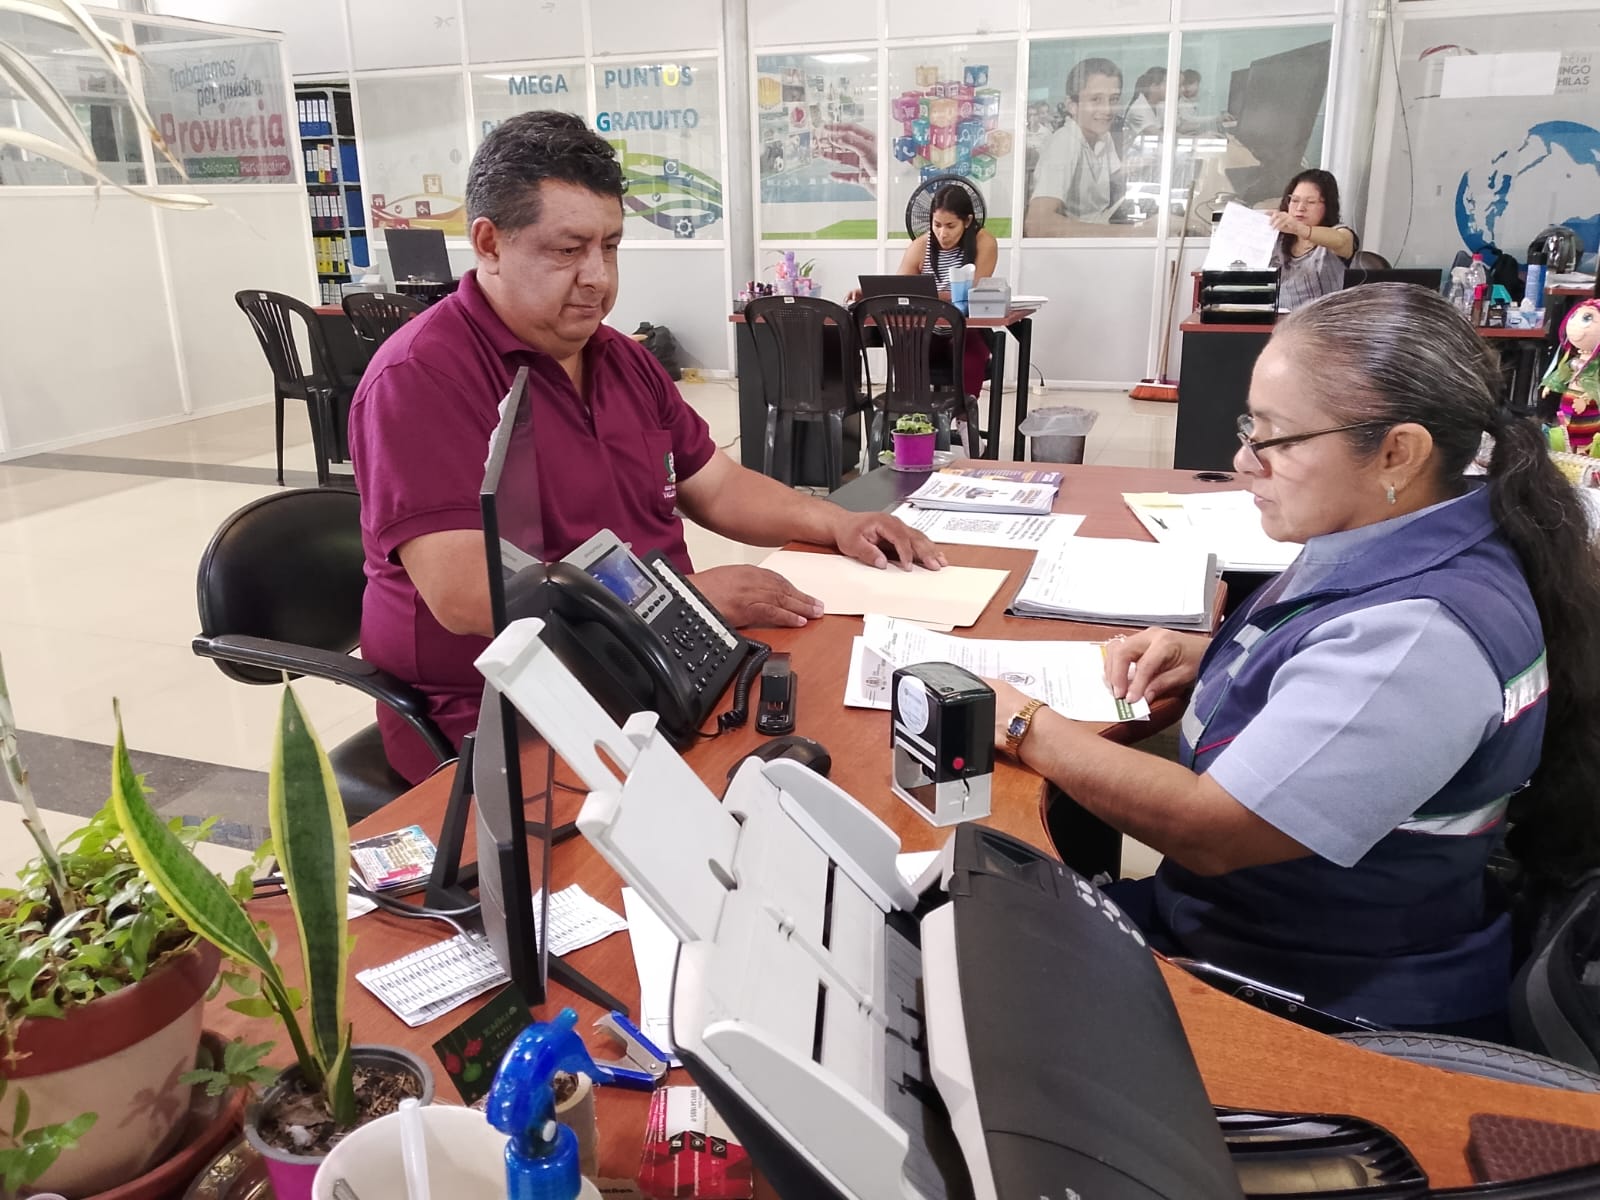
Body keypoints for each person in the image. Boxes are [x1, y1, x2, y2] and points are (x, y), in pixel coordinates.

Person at [988, 284, 1600, 1036]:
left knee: (976, 967)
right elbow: (1341, 667)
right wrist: (1219, 657)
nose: (1244, 461)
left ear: (1397, 452)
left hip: (1314, 993)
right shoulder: (1403, 534)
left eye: (1276, 439)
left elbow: (1214, 830)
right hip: (1257, 931)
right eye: (1251, 427)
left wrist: (1020, 721)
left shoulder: (1420, 636)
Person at [349, 111, 944, 783]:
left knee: (858, 737)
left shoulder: (619, 358)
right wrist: (684, 601)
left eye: (610, 247)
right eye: (567, 250)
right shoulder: (423, 378)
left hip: (667, 665)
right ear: (489, 244)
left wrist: (839, 522)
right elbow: (469, 595)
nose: (597, 277)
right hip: (509, 714)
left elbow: (716, 484)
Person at [847, 184, 998, 406]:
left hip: (967, 329)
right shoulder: (920, 246)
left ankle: (965, 418)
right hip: (927, 330)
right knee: (906, 350)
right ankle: (912, 415)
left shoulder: (984, 242)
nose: (942, 233)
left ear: (967, 221)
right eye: (937, 225)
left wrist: (927, 296)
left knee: (971, 354)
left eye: (950, 226)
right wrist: (868, 293)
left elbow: (972, 293)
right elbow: (899, 288)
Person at [1025, 57, 1134, 235]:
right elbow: (1037, 225)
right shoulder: (1065, 142)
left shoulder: (1104, 137)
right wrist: (1132, 233)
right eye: (1096, 99)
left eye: (1113, 99)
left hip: (1098, 242)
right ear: (1072, 106)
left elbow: (1117, 182)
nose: (1107, 110)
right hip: (1074, 249)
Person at [1270, 169, 1358, 310]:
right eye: (1295, 200)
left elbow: (1341, 240)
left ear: (1328, 206)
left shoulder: (1337, 233)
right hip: (1274, 316)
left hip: (1319, 320)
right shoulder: (1279, 237)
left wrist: (1299, 228)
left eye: (1310, 202)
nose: (1300, 208)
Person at [1122, 67, 1167, 142]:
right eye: (1167, 84)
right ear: (1154, 87)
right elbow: (1158, 135)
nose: (1171, 88)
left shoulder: (1159, 105)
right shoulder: (1138, 108)